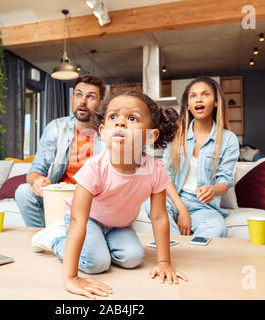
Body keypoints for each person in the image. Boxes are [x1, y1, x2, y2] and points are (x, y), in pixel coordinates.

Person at [30, 91, 188, 299]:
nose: (120, 123)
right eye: (113, 117)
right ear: (103, 132)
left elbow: (159, 217)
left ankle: (99, 244)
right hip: (88, 221)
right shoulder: (94, 168)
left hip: (119, 225)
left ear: (151, 135)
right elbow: (79, 219)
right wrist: (71, 278)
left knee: (133, 259)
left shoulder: (155, 168)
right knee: (96, 264)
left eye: (132, 118)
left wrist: (164, 262)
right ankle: (56, 238)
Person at [146, 76, 239, 238]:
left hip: (203, 206)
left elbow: (225, 181)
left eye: (205, 94)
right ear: (188, 105)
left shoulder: (228, 139)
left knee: (217, 227)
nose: (198, 100)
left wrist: (213, 189)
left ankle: (181, 249)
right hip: (174, 200)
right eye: (193, 96)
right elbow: (165, 176)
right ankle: (176, 248)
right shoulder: (176, 136)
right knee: (152, 204)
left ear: (216, 102)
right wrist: (182, 210)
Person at [15, 75, 107, 227]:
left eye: (90, 97)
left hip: (92, 200)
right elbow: (34, 172)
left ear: (100, 104)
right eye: (78, 95)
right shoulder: (55, 128)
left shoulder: (108, 133)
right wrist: (37, 180)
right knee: (24, 192)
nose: (82, 101)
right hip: (60, 195)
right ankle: (45, 237)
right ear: (72, 100)